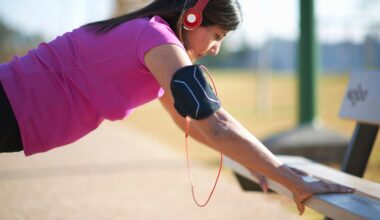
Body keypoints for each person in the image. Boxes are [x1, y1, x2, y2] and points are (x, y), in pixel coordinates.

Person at [0, 0, 353, 215]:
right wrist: (292, 179)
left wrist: (255, 164)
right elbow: (216, 123)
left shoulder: (153, 45)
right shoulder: (156, 39)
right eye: (217, 35)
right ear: (193, 18)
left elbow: (193, 123)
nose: (215, 48)